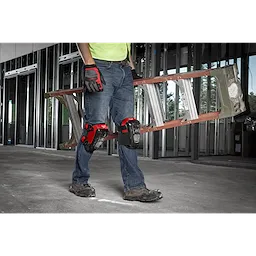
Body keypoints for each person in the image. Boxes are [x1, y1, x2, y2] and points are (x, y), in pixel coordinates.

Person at [69, 40, 163, 203]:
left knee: (129, 128)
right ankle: (79, 181)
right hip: (99, 66)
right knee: (95, 130)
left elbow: (125, 44)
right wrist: (89, 65)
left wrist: (131, 68)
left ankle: (135, 187)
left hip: (123, 69)